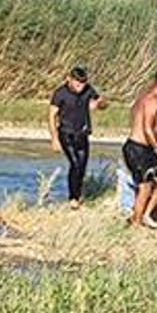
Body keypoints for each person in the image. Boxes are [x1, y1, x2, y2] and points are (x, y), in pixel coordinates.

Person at [122, 68, 157, 228]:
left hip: (144, 149)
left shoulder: (143, 96)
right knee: (145, 187)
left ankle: (146, 214)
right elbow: (147, 129)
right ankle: (136, 222)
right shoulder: (153, 100)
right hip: (137, 149)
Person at [48, 66, 107, 208]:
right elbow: (51, 116)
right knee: (75, 164)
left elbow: (103, 104)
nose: (81, 87)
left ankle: (78, 195)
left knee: (82, 167)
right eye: (77, 84)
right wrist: (54, 139)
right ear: (70, 79)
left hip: (83, 133)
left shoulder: (89, 90)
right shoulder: (60, 93)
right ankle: (72, 199)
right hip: (66, 133)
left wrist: (99, 104)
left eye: (83, 83)